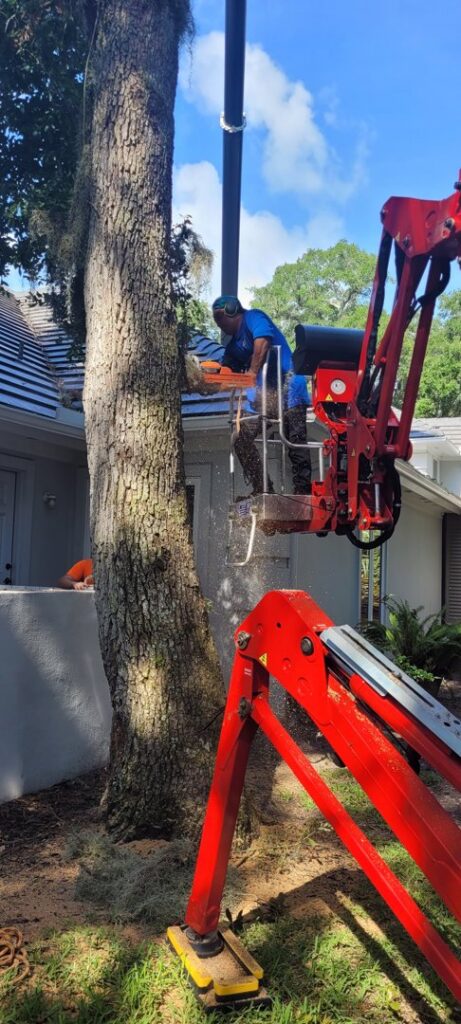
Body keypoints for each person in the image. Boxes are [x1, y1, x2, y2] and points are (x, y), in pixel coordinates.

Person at [212, 295, 311, 495]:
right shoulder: (233, 346)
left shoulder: (253, 318)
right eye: (215, 319)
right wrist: (212, 380)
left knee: (295, 440)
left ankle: (303, 490)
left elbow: (263, 342)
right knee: (240, 439)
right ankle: (263, 487)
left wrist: (252, 372)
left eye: (220, 317)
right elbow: (227, 369)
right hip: (265, 397)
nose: (218, 323)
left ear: (233, 310)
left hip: (289, 385)